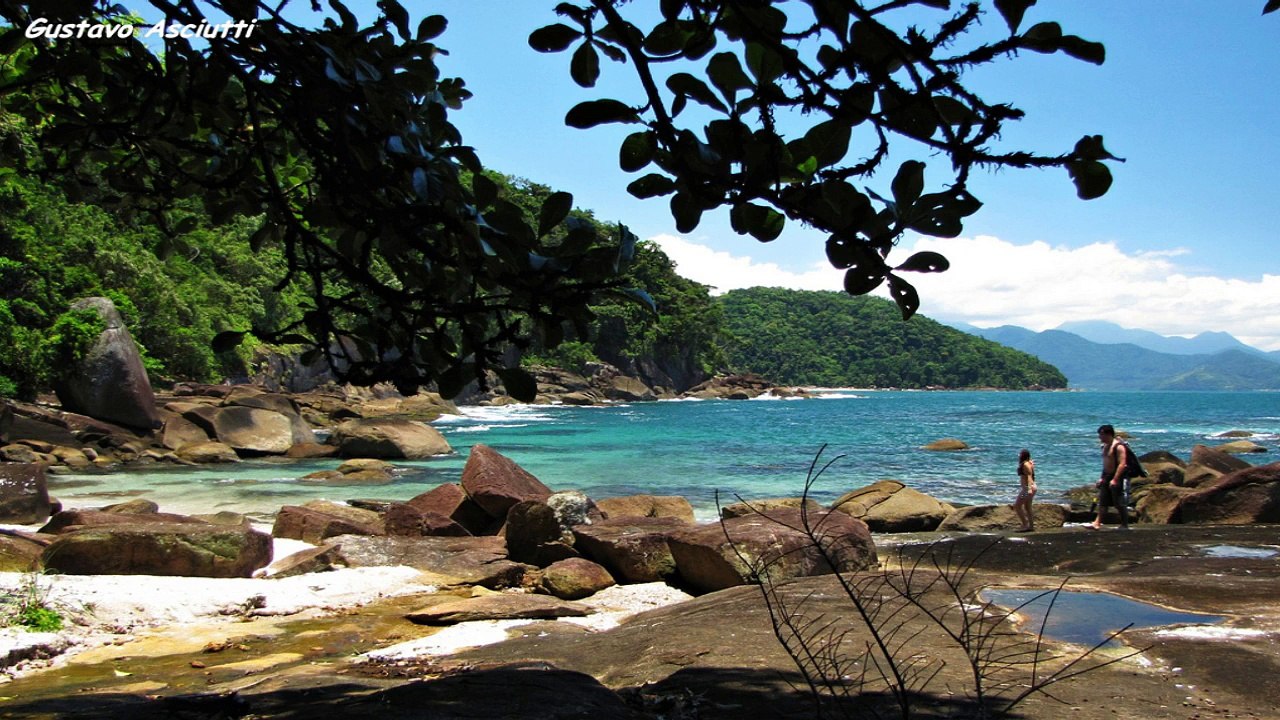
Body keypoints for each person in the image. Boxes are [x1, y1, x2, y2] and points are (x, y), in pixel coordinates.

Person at [1091, 424, 1130, 530]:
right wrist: (1102, 478)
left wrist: (1115, 479)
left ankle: (1124, 524)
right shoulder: (1105, 447)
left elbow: (1122, 464)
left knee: (1118, 503)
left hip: (1117, 477)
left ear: (1108, 434)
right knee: (1103, 502)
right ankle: (1097, 523)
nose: (1100, 437)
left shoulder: (1119, 447)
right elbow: (1106, 464)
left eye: (1101, 435)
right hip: (1106, 476)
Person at [1013, 448, 1037, 531]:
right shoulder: (1028, 463)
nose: (1019, 455)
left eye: (1020, 454)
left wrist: (1029, 488)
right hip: (1030, 488)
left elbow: (1029, 476)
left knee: (1017, 506)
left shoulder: (1026, 464)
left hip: (1027, 489)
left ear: (1023, 456)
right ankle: (1031, 526)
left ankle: (1025, 525)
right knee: (1028, 507)